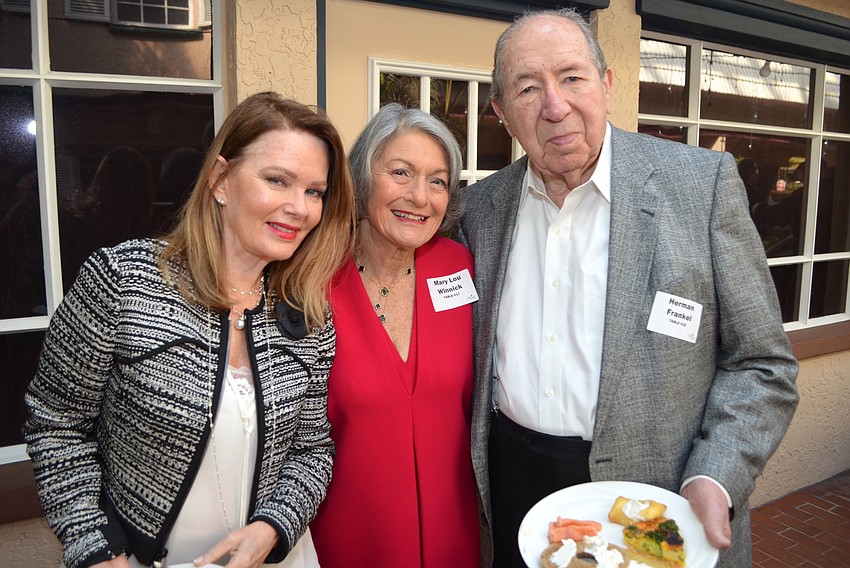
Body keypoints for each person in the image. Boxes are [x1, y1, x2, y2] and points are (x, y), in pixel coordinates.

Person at [454, 9, 800, 568]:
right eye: (526, 88)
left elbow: (762, 363)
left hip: (654, 503)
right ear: (500, 113)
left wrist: (716, 472)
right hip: (513, 486)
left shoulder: (700, 185)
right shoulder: (478, 210)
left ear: (607, 84)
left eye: (572, 77)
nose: (555, 106)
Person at [24, 92, 356, 568]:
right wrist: (95, 547)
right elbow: (56, 423)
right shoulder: (123, 280)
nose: (298, 208)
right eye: (276, 180)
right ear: (221, 179)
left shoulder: (307, 315)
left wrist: (273, 528)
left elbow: (311, 449)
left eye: (314, 191)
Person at [310, 103, 480, 567]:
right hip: (348, 534)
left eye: (438, 181)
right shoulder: (312, 280)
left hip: (454, 533)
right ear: (362, 180)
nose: (420, 197)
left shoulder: (460, 269)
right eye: (401, 173)